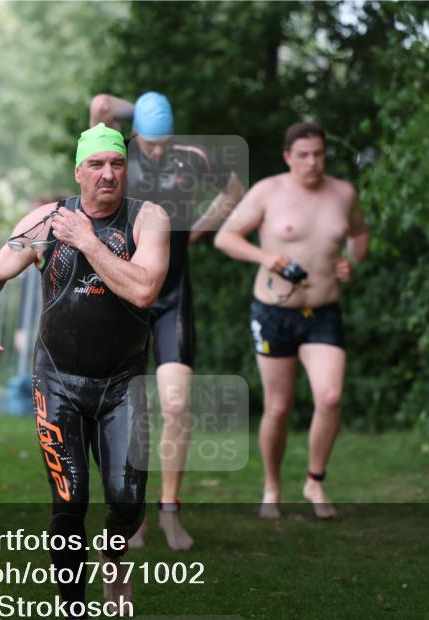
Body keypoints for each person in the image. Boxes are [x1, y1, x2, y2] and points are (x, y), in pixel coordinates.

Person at [0, 124, 169, 620]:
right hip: (57, 381)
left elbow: (144, 289)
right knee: (69, 499)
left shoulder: (148, 219)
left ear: (127, 170)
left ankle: (114, 556)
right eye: (96, 164)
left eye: (117, 164)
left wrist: (88, 242)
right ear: (78, 172)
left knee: (127, 502)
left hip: (123, 383)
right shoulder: (44, 222)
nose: (107, 174)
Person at [90, 91, 245, 550]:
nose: (158, 150)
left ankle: (170, 510)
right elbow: (99, 104)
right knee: (127, 407)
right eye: (150, 141)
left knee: (176, 404)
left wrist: (199, 228)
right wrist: (134, 109)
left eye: (165, 141)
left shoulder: (191, 157)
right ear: (136, 133)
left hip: (173, 297)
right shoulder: (116, 157)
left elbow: (234, 190)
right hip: (125, 297)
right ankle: (128, 512)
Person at [214, 121, 369, 519]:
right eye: (303, 155)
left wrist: (351, 262)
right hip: (273, 311)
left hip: (323, 312)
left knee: (331, 396)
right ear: (288, 157)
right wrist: (265, 257)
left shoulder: (343, 193)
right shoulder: (268, 191)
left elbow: (359, 235)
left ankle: (314, 480)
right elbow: (225, 238)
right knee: (278, 407)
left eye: (319, 153)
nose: (313, 162)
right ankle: (272, 486)